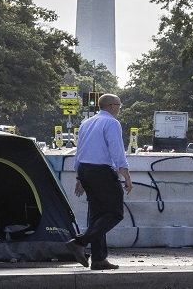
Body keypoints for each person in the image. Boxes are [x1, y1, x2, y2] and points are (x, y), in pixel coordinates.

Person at [66, 93, 132, 271]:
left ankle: (99, 258)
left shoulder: (87, 122)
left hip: (86, 170)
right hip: (101, 171)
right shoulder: (111, 122)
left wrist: (79, 176)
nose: (119, 108)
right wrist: (126, 175)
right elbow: (117, 151)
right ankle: (80, 242)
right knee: (114, 213)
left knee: (98, 216)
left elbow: (79, 151)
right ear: (111, 106)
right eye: (119, 105)